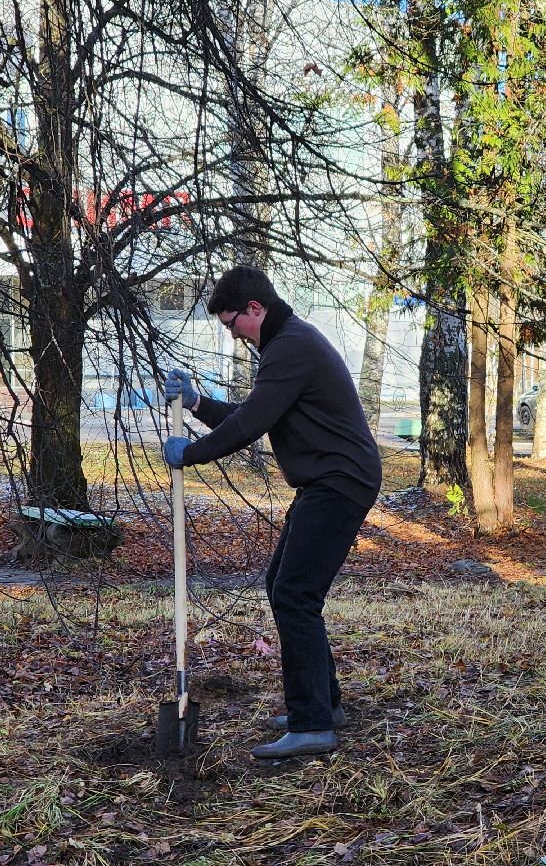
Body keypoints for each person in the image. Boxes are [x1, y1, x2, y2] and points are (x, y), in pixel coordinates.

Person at [162, 265, 382, 760]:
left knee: (294, 593)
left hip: (339, 481)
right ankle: (325, 706)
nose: (232, 334)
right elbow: (254, 413)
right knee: (282, 583)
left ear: (254, 309)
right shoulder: (287, 345)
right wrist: (198, 404)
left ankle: (312, 724)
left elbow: (249, 425)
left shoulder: (291, 347)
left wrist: (189, 453)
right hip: (329, 480)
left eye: (231, 323)